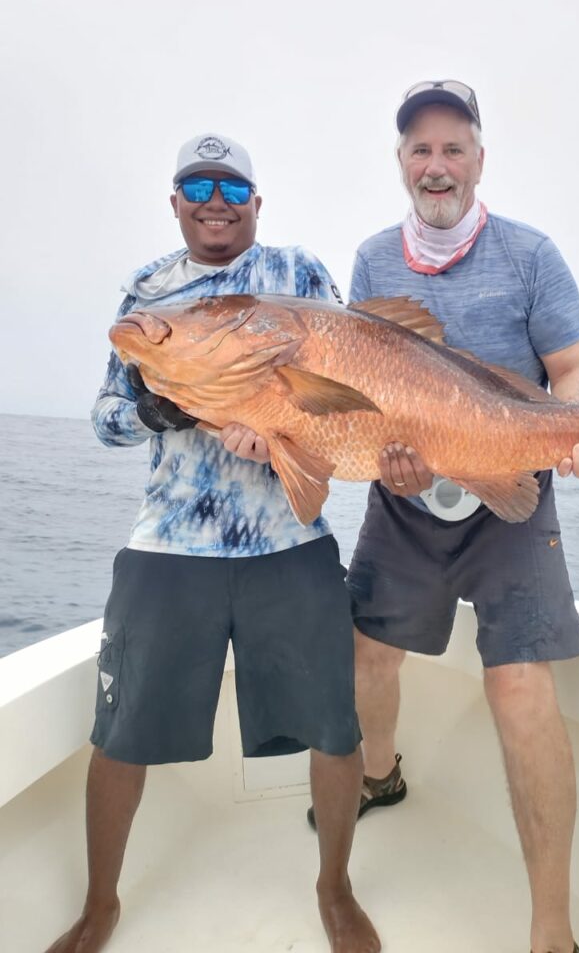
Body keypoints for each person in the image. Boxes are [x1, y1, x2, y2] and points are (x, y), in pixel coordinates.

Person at [46, 133, 380, 953]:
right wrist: (161, 411)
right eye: (198, 185)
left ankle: (333, 887)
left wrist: (290, 428)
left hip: (291, 539)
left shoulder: (298, 274)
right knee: (120, 730)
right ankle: (101, 904)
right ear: (176, 201)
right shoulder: (150, 291)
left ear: (256, 204)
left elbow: (351, 380)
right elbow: (105, 418)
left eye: (232, 187)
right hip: (169, 547)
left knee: (336, 725)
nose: (215, 200)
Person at [320, 82, 579, 953]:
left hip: (511, 492)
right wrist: (385, 459)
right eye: (420, 150)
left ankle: (552, 930)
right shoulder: (372, 260)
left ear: (480, 160)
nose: (437, 165)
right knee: (366, 649)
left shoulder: (532, 255)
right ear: (401, 164)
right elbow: (359, 383)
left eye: (454, 148)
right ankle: (378, 776)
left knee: (520, 685)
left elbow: (573, 371)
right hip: (405, 497)